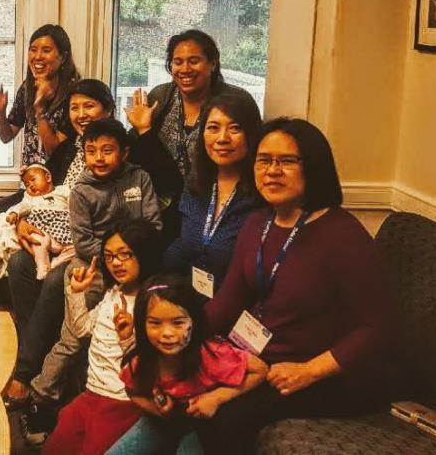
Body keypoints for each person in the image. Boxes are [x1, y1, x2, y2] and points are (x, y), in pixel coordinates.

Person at [197, 119, 396, 455]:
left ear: (314, 167)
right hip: (262, 362)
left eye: (287, 161)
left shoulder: (343, 235)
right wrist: (170, 337)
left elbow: (378, 327)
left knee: (226, 417)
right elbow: (227, 302)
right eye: (264, 160)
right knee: (181, 387)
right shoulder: (257, 222)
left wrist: (309, 371)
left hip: (327, 376)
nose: (272, 171)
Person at [7, 118, 163, 415]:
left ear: (125, 152)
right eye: (92, 151)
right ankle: (41, 394)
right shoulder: (81, 190)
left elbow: (153, 225)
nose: (99, 158)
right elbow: (83, 241)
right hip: (91, 266)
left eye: (107, 150)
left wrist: (132, 263)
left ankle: (128, 392)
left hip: (139, 268)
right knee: (73, 337)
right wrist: (111, 263)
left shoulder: (139, 179)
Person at [106, 274, 267, 455]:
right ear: (142, 326)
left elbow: (260, 370)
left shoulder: (210, 355)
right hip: (163, 423)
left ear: (193, 321)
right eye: (155, 323)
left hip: (203, 427)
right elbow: (132, 390)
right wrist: (158, 411)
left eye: (178, 323)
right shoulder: (143, 361)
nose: (167, 333)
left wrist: (217, 397)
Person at [125, 30, 256, 241]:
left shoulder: (236, 100)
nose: (185, 69)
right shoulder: (161, 97)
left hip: (212, 204)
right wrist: (139, 130)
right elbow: (138, 154)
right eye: (178, 62)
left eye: (194, 61)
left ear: (212, 63)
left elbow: (249, 157)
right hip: (161, 205)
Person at [39, 222, 149, 455]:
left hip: (121, 401)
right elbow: (83, 329)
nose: (116, 263)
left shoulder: (152, 301)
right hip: (92, 394)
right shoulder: (114, 292)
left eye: (124, 254)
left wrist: (128, 336)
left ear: (143, 253)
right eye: (109, 257)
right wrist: (76, 293)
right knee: (54, 448)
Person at [162, 93, 263, 297]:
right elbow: (183, 245)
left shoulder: (262, 195)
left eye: (235, 128)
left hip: (236, 315)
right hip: (189, 305)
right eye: (213, 128)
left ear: (251, 134)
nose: (222, 138)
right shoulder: (195, 186)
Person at [0, 163, 69, 304]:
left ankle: (58, 260)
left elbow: (74, 202)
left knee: (69, 249)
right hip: (42, 230)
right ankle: (43, 265)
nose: (31, 186)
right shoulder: (30, 198)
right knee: (39, 241)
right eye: (27, 184)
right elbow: (21, 206)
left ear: (47, 177)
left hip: (62, 228)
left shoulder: (63, 191)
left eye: (33, 180)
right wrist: (14, 214)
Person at [0, 24, 80, 168]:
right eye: (33, 50)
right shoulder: (27, 88)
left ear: (63, 57)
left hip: (60, 183)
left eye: (46, 50)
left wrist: (40, 108)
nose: (38, 56)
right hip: (31, 181)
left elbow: (55, 152)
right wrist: (0, 112)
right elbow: (6, 137)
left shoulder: (75, 94)